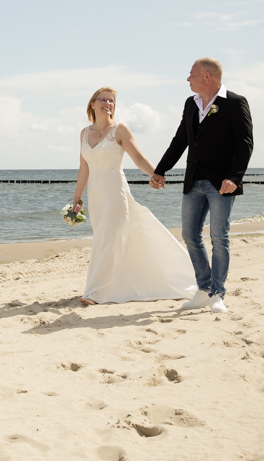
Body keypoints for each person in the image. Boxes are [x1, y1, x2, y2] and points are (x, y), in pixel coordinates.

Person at [72, 87, 197, 305]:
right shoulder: (84, 133)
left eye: (111, 101)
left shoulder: (120, 130)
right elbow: (84, 169)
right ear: (92, 103)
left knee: (108, 238)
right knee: (104, 238)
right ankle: (110, 287)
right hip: (96, 195)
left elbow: (138, 158)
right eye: (103, 99)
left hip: (115, 191)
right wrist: (77, 199)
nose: (108, 104)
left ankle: (94, 293)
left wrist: (156, 174)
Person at [150, 58, 254, 314]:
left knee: (219, 237)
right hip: (193, 181)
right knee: (190, 235)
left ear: (207, 76)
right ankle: (204, 289)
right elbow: (180, 140)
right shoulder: (191, 103)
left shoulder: (235, 102)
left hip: (222, 184)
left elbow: (245, 143)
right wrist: (160, 170)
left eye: (191, 74)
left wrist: (234, 177)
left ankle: (218, 294)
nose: (188, 79)